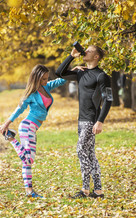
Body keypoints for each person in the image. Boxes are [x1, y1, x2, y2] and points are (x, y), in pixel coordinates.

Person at [0, 64, 66, 198]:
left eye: (47, 78)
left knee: (26, 161)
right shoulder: (31, 94)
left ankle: (29, 192)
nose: (46, 81)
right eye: (43, 79)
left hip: (33, 128)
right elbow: (19, 109)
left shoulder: (46, 87)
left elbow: (61, 80)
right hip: (27, 127)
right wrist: (7, 123)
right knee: (29, 160)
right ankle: (11, 138)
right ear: (36, 78)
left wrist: (73, 69)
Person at [56, 44, 113, 199]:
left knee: (81, 150)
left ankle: (85, 190)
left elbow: (108, 100)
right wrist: (71, 56)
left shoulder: (102, 76)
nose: (85, 51)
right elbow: (59, 72)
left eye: (89, 51)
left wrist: (100, 121)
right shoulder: (81, 72)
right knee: (89, 153)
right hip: (81, 119)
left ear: (96, 57)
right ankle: (98, 191)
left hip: (91, 119)